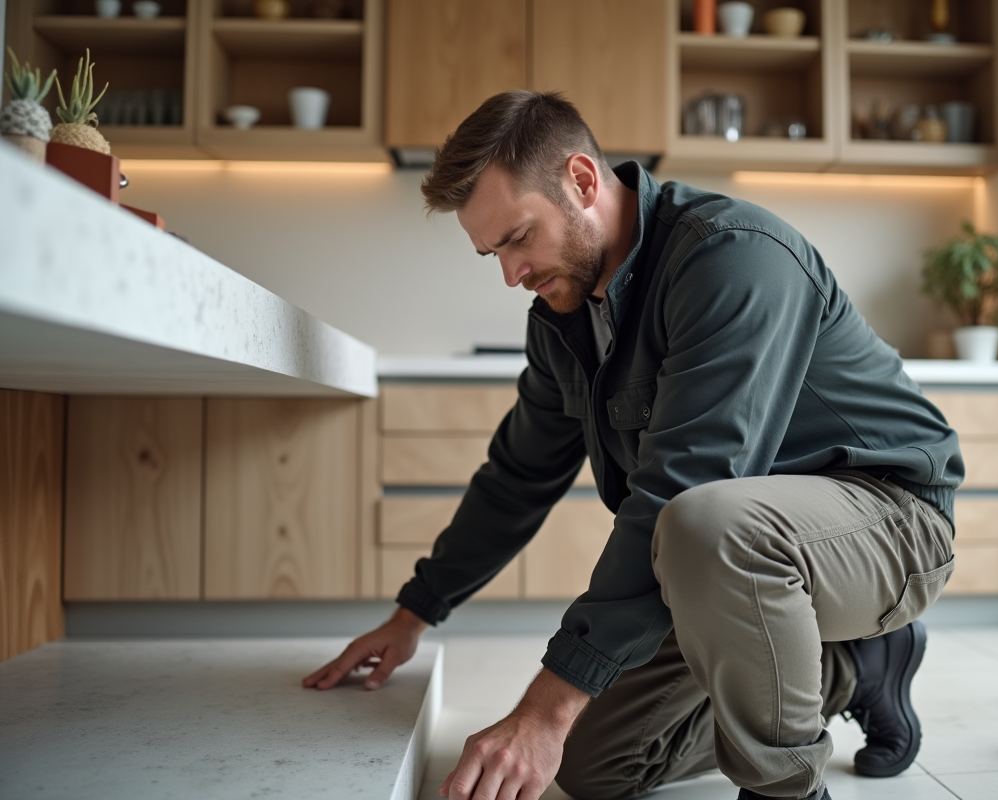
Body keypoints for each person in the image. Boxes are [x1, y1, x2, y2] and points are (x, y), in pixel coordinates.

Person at [303, 91, 962, 800]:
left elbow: (689, 486)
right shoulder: (563, 319)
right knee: (595, 763)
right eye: (492, 252)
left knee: (704, 523)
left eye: (519, 237)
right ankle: (856, 666)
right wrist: (413, 616)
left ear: (583, 181)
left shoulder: (732, 257)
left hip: (889, 522)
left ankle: (785, 790)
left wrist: (545, 708)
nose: (509, 273)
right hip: (731, 562)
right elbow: (518, 476)